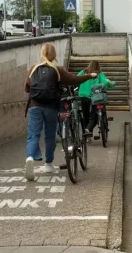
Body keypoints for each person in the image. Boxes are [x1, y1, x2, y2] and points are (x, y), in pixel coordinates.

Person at [24, 43, 98, 181]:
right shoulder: (57, 70)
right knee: (50, 135)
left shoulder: (33, 69)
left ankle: (29, 158)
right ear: (54, 55)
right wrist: (90, 76)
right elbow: (74, 80)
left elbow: (27, 88)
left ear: (42, 54)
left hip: (34, 106)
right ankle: (48, 164)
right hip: (51, 107)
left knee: (33, 134)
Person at [77, 60, 116, 137]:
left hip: (83, 97)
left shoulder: (83, 72)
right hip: (94, 97)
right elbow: (105, 83)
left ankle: (87, 133)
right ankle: (88, 129)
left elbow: (77, 79)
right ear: (98, 66)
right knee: (94, 115)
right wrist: (113, 83)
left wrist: (79, 88)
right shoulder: (99, 73)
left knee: (85, 116)